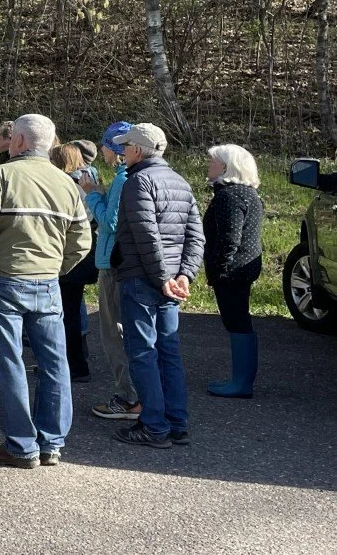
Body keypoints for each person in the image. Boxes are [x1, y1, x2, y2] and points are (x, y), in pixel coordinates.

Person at [0, 113, 91, 468]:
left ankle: (20, 444)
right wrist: (56, 268)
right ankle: (51, 443)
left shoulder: (0, 176)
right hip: (47, 283)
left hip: (2, 280)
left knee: (7, 362)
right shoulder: (67, 184)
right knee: (53, 362)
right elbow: (81, 239)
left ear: (17, 141)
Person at [111, 123, 204, 449]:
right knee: (169, 353)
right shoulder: (180, 181)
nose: (122, 152)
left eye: (126, 147)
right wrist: (184, 275)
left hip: (144, 279)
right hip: (167, 280)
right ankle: (177, 424)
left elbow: (146, 235)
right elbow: (195, 236)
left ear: (138, 149)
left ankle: (153, 426)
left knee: (144, 354)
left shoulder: (138, 182)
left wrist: (165, 278)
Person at [79, 121, 141, 421]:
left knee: (113, 333)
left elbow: (111, 224)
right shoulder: (125, 177)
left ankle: (128, 398)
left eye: (104, 144)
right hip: (124, 264)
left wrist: (91, 194)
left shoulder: (122, 178)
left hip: (113, 265)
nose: (101, 149)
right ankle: (136, 397)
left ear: (114, 149)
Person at [203, 144, 263, 398]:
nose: (209, 165)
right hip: (241, 268)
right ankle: (241, 380)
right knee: (238, 322)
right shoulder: (246, 193)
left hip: (233, 271)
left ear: (227, 167)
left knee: (237, 323)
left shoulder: (230, 195)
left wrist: (218, 269)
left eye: (213, 161)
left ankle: (241, 383)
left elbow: (230, 238)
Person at [48, 143, 98, 383]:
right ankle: (75, 361)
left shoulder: (67, 185)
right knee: (72, 309)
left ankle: (75, 365)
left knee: (67, 312)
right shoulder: (88, 179)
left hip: (71, 255)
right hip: (86, 251)